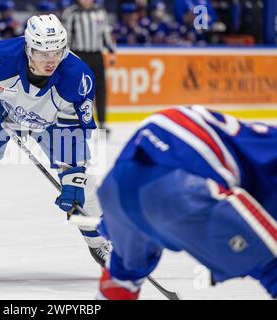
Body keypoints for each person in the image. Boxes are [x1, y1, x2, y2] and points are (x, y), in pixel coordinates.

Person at [0, 13, 112, 280]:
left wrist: (72, 175)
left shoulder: (77, 77)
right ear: (28, 47)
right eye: (42, 53)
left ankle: (99, 244)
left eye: (57, 52)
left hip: (50, 123)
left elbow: (71, 128)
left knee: (83, 186)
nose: (51, 60)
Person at [95, 105, 277, 299]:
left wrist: (113, 221)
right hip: (178, 191)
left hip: (116, 187)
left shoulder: (252, 140)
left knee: (123, 275)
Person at [62, 0, 115, 134]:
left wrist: (112, 51)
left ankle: (102, 122)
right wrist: (66, 56)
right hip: (79, 55)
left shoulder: (100, 12)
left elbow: (106, 33)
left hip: (97, 56)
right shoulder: (71, 13)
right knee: (79, 90)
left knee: (100, 89)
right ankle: (76, 120)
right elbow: (67, 36)